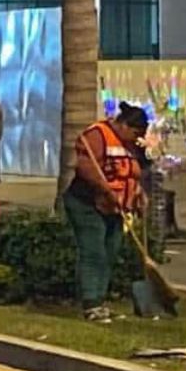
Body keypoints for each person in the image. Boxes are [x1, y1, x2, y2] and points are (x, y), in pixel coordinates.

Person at [64, 103, 149, 324]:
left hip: (115, 208)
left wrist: (138, 193)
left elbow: (132, 172)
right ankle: (91, 303)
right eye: (135, 132)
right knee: (94, 252)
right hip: (87, 203)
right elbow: (85, 166)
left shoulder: (131, 145)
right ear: (122, 125)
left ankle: (100, 300)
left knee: (111, 251)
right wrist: (105, 190)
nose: (136, 138)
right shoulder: (98, 135)